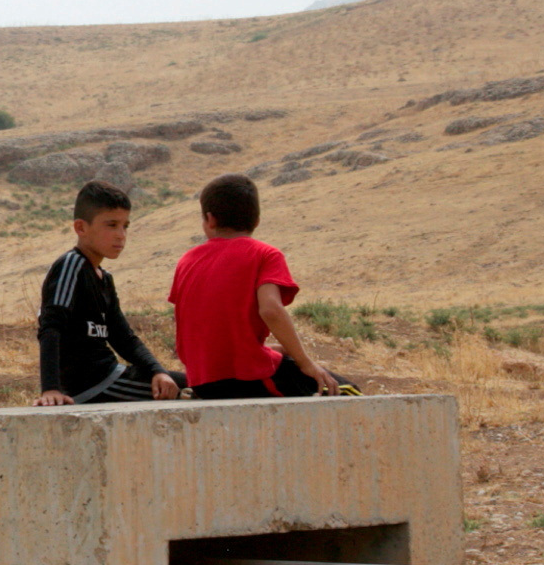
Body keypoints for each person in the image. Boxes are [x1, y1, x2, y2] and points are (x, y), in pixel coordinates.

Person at [166, 173, 339, 399]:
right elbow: (270, 309)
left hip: (202, 381)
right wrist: (306, 363)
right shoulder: (265, 254)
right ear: (256, 220)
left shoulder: (186, 261)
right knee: (346, 392)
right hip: (248, 378)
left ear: (210, 220)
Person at [35, 180, 182, 406]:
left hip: (112, 375)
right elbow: (51, 326)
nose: (121, 235)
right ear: (81, 228)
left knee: (187, 383)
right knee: (198, 389)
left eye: (125, 226)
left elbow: (123, 337)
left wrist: (157, 371)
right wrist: (51, 389)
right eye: (111, 225)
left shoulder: (104, 278)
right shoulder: (71, 265)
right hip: (94, 383)